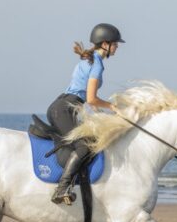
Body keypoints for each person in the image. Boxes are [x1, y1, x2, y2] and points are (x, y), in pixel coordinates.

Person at [47, 22, 124, 205]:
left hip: (67, 107)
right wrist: (113, 107)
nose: (117, 47)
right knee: (86, 146)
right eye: (115, 43)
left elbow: (88, 100)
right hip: (64, 109)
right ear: (105, 44)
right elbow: (91, 99)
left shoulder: (89, 60)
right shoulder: (96, 64)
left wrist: (101, 114)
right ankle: (62, 188)